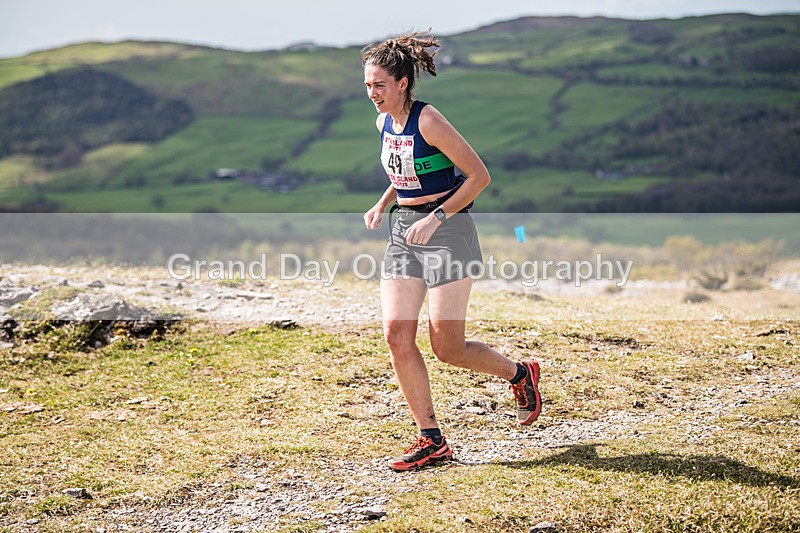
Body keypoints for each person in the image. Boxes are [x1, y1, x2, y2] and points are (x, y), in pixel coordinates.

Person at [362, 31, 541, 471]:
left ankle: (520, 375)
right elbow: (408, 167)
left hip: (448, 232)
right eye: (367, 85)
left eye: (380, 85)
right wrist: (386, 202)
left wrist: (435, 217)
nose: (372, 94)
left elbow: (479, 176)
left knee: (447, 346)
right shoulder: (384, 122)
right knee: (396, 335)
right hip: (404, 232)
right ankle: (431, 440)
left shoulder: (429, 120)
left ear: (403, 82)